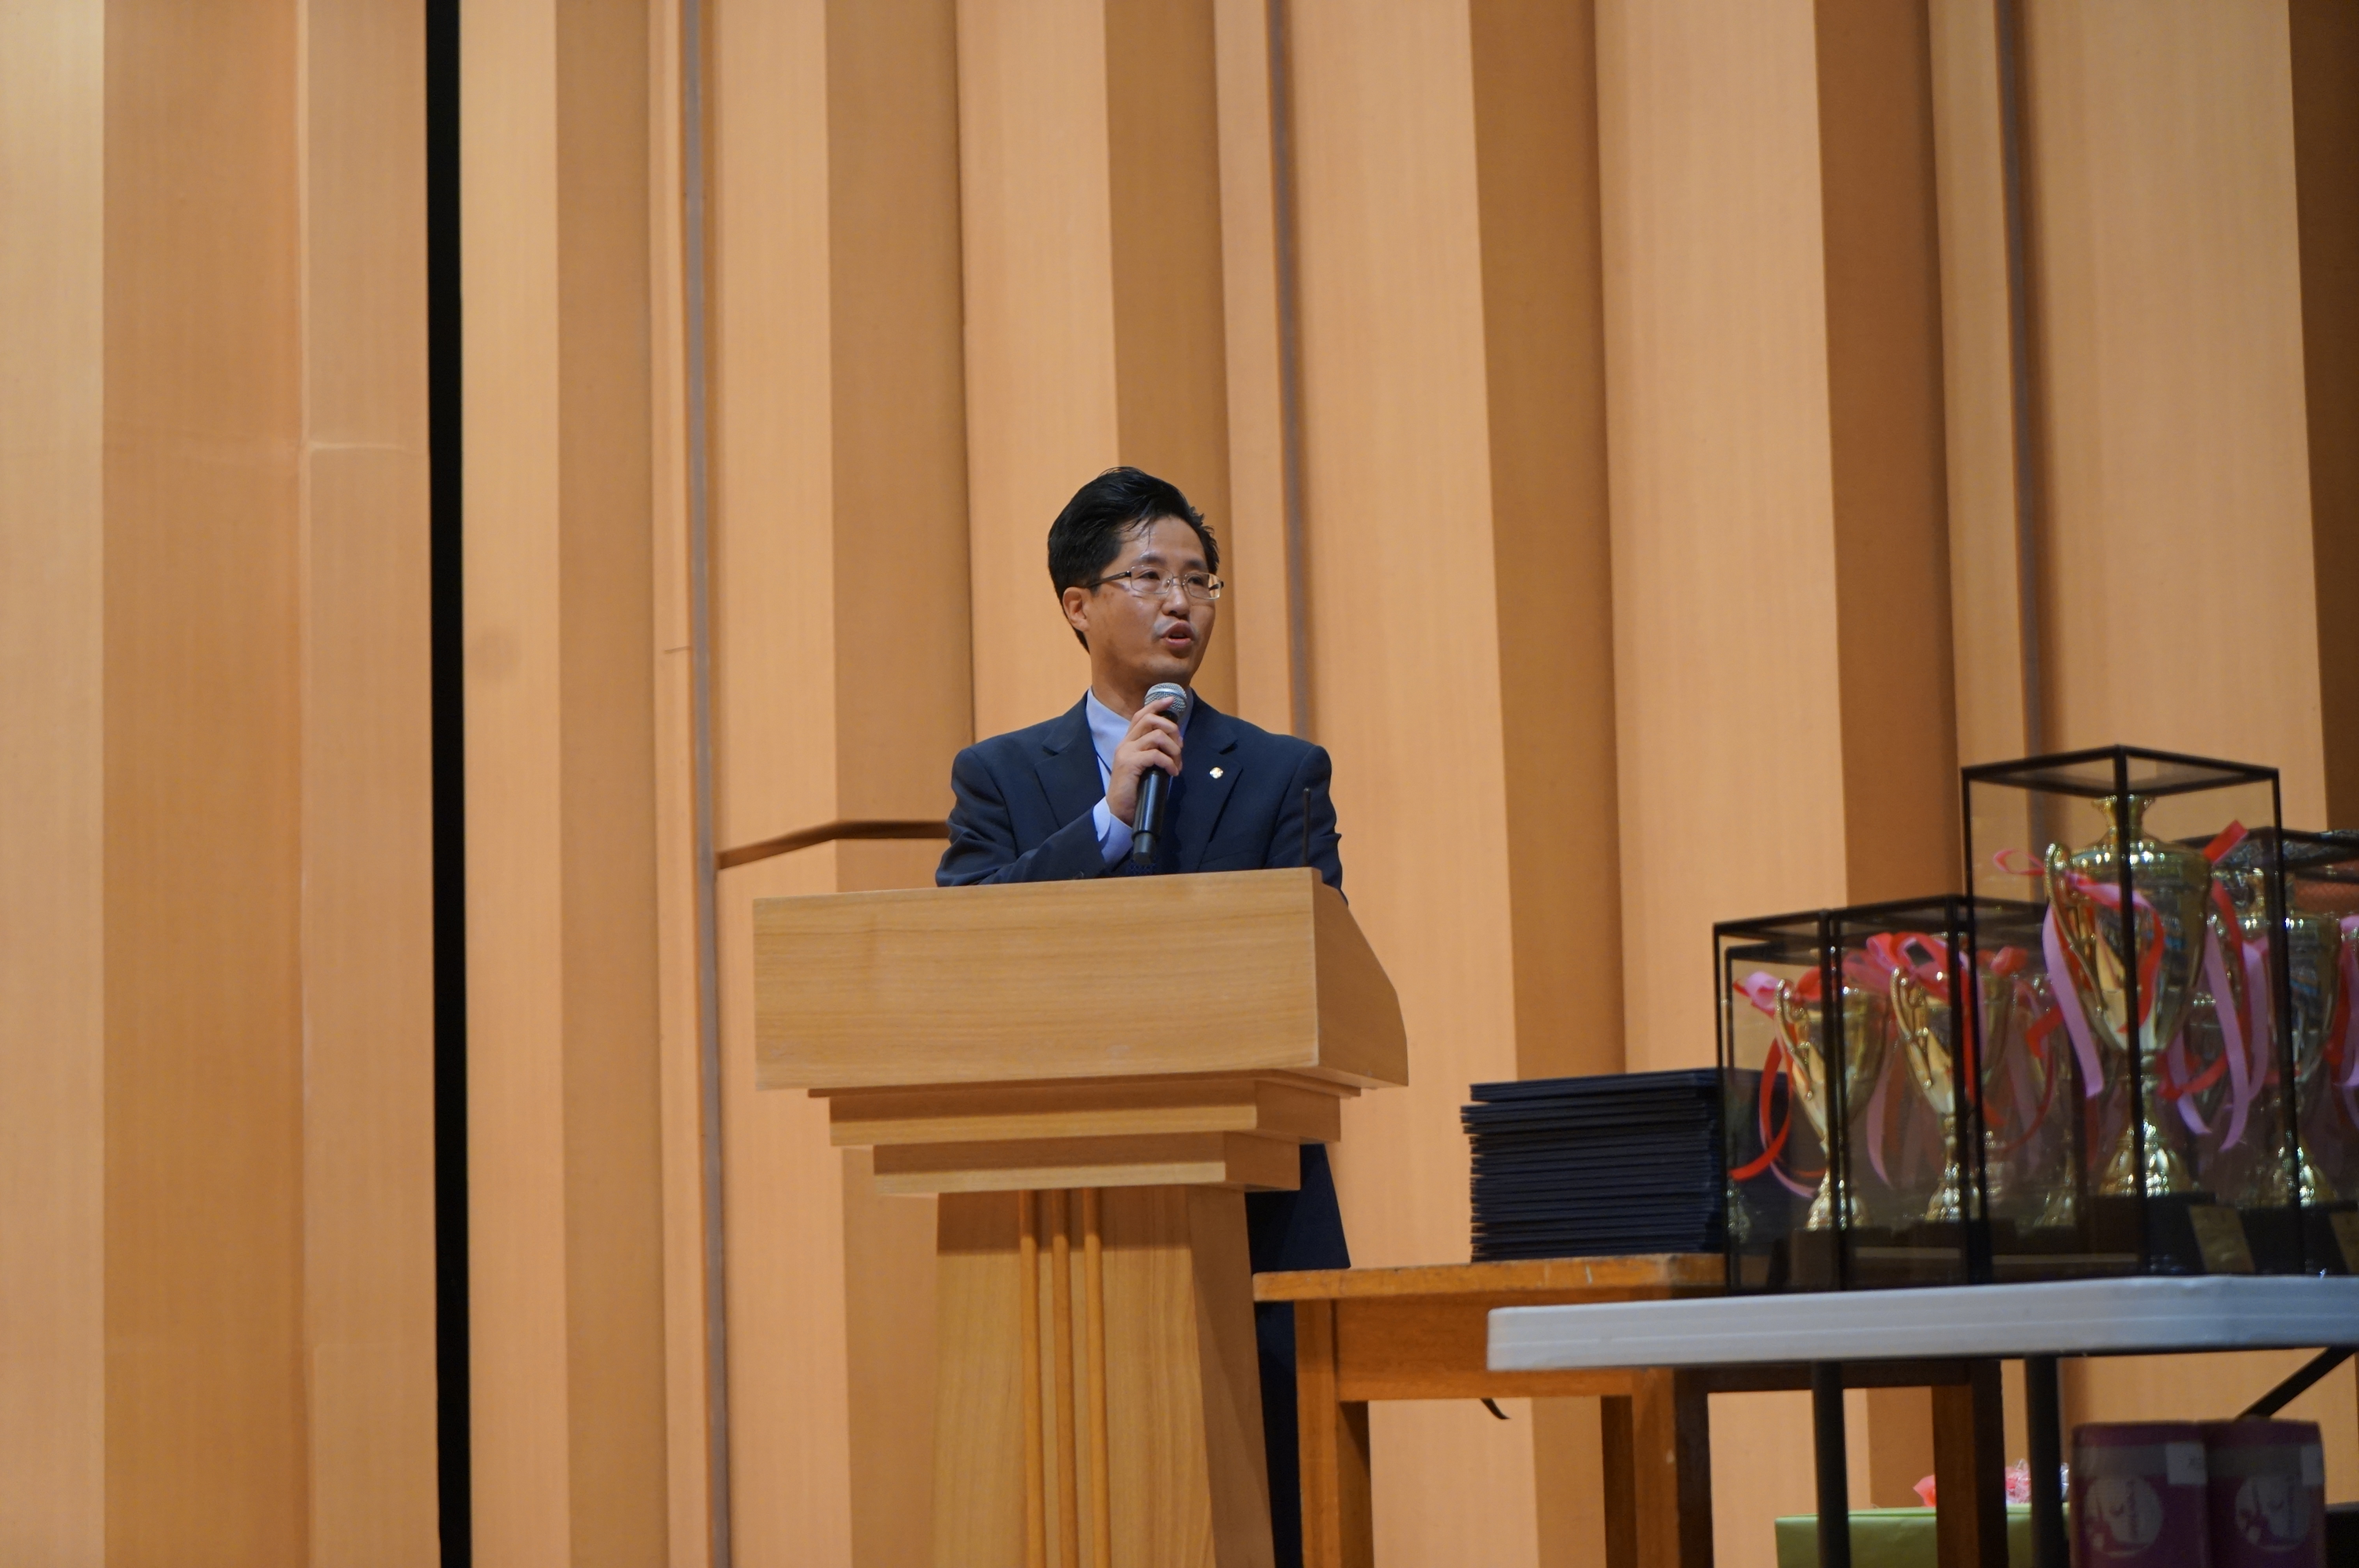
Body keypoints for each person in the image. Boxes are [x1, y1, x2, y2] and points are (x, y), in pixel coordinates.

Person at [938, 466, 1346, 1568]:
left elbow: (1317, 959)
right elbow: (960, 943)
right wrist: (1107, 826)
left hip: (1258, 1203)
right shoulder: (1001, 776)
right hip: (1062, 1206)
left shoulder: (1281, 773)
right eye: (1151, 577)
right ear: (1079, 605)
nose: (1182, 603)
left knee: (1281, 1502)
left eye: (1201, 580)